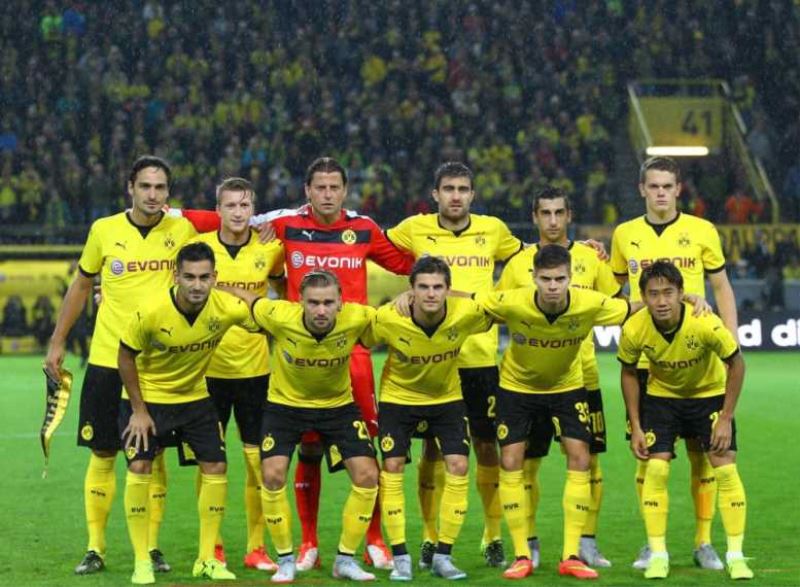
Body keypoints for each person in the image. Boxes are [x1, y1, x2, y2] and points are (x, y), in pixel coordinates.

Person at [254, 157, 415, 571]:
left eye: (334, 187)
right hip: (302, 353)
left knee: (366, 450)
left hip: (353, 353)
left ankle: (374, 540)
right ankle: (308, 543)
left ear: (345, 190)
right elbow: (241, 245)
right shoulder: (285, 226)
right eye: (320, 187)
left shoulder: (363, 229)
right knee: (307, 447)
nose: (327, 194)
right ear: (307, 191)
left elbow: (406, 264)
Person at [44, 156, 197, 575]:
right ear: (130, 187)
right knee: (102, 450)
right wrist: (58, 340)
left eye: (160, 187)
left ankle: (151, 547)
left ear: (168, 192)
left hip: (157, 364)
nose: (152, 194)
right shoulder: (104, 230)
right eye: (145, 186)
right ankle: (95, 547)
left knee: (154, 455)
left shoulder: (181, 231)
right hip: (107, 358)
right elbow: (82, 285)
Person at [385, 161, 523, 568]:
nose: (456, 196)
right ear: (435, 194)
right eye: (449, 189)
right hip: (432, 359)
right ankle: (430, 538)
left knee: (486, 447)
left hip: (479, 358)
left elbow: (530, 259)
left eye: (463, 189)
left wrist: (582, 248)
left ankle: (492, 536)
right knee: (432, 448)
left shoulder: (494, 230)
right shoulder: (414, 228)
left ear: (473, 194)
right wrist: (404, 294)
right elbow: (371, 246)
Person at [610, 156, 738, 571]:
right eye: (654, 186)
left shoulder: (702, 231)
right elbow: (611, 289)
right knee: (648, 455)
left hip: (696, 356)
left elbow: (721, 286)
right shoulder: (625, 234)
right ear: (642, 189)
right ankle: (653, 544)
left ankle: (704, 542)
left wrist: (730, 338)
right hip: (647, 358)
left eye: (668, 186)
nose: (661, 193)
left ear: (678, 189)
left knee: (704, 455)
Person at [478, 245, 636, 580]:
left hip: (567, 387)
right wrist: (412, 297)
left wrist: (688, 300)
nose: (553, 286)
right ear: (534, 277)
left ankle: (571, 555)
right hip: (517, 389)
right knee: (511, 461)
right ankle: (522, 554)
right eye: (546, 279)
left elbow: (633, 307)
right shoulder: (512, 301)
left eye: (559, 279)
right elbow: (468, 302)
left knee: (581, 457)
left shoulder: (589, 303)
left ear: (570, 277)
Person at [226, 270, 381, 584]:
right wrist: (215, 285)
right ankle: (285, 561)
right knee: (271, 475)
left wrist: (409, 298)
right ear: (300, 302)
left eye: (328, 303)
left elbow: (396, 314)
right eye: (313, 303)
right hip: (285, 407)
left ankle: (345, 560)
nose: (321, 310)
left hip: (337, 406)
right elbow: (248, 298)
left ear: (340, 303)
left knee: (368, 476)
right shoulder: (278, 314)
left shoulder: (358, 317)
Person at [496, 186, 621, 569]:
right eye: (545, 213)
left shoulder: (591, 257)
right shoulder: (518, 264)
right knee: (526, 462)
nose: (552, 221)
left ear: (569, 216)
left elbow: (618, 303)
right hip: (527, 379)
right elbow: (498, 307)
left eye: (559, 213)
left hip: (581, 376)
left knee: (588, 460)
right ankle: (529, 543)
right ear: (534, 217)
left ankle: (586, 543)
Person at [118, 242, 253, 584]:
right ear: (176, 276)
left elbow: (264, 315)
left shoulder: (226, 308)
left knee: (216, 466)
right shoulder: (151, 311)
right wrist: (138, 411)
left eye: (204, 277)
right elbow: (125, 356)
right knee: (140, 466)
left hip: (194, 397)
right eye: (189, 277)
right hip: (149, 399)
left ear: (214, 277)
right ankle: (142, 561)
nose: (197, 285)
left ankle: (207, 559)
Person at [361, 256, 493, 581]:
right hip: (398, 400)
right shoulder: (389, 318)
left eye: (437, 287)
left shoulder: (466, 313)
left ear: (448, 289)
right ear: (411, 289)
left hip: (446, 399)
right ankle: (401, 558)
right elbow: (363, 340)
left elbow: (497, 309)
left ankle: (443, 556)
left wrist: (461, 295)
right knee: (392, 466)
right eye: (423, 287)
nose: (431, 294)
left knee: (459, 466)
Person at [618, 261, 753, 580]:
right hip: (662, 399)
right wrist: (636, 426)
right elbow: (628, 373)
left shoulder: (704, 322)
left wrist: (726, 417)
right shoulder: (634, 328)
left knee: (725, 468)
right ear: (643, 297)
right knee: (655, 468)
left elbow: (737, 364)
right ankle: (658, 555)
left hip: (708, 395)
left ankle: (735, 556)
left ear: (681, 293)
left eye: (668, 292)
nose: (661, 301)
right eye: (654, 294)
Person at [190, 177, 285, 570]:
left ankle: (255, 548)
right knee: (209, 462)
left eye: (245, 205)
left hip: (255, 370)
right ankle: (211, 546)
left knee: (256, 462)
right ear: (218, 210)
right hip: (207, 370)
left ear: (253, 209)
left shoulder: (270, 248)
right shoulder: (199, 249)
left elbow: (282, 291)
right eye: (230, 205)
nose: (238, 212)